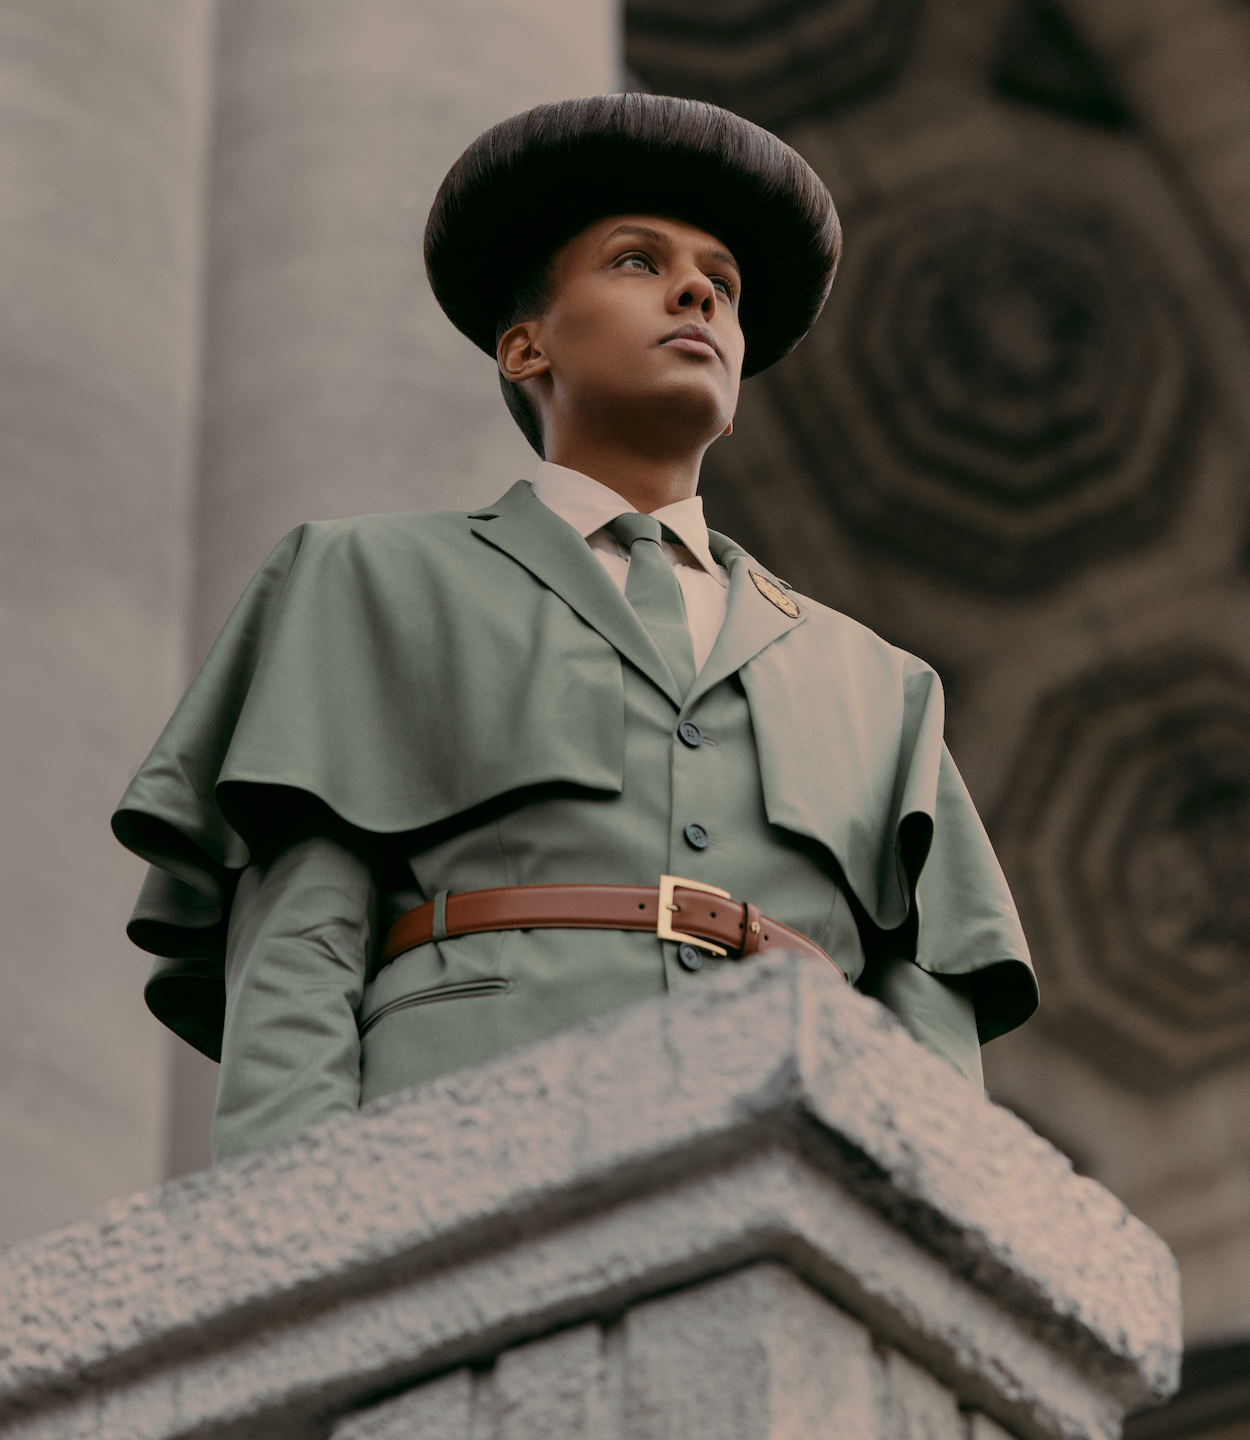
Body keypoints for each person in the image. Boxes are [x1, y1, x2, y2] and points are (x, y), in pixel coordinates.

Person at [113, 95, 1037, 1163]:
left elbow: (928, 1027)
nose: (697, 289)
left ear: (734, 394)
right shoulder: (369, 578)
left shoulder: (879, 684)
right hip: (456, 1149)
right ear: (524, 347)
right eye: (638, 262)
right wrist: (284, 1224)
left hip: (788, 1166)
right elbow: (302, 942)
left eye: (723, 286)